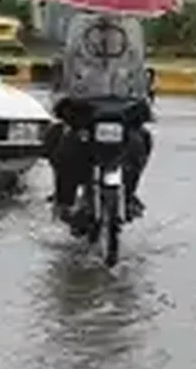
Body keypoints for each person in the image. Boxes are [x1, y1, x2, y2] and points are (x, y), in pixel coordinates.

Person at [45, 12, 153, 223]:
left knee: (142, 140)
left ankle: (130, 193)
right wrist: (63, 91)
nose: (106, 18)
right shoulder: (79, 33)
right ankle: (64, 198)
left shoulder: (129, 35)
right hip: (87, 103)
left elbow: (137, 68)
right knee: (57, 138)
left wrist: (142, 91)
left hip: (120, 104)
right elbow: (67, 68)